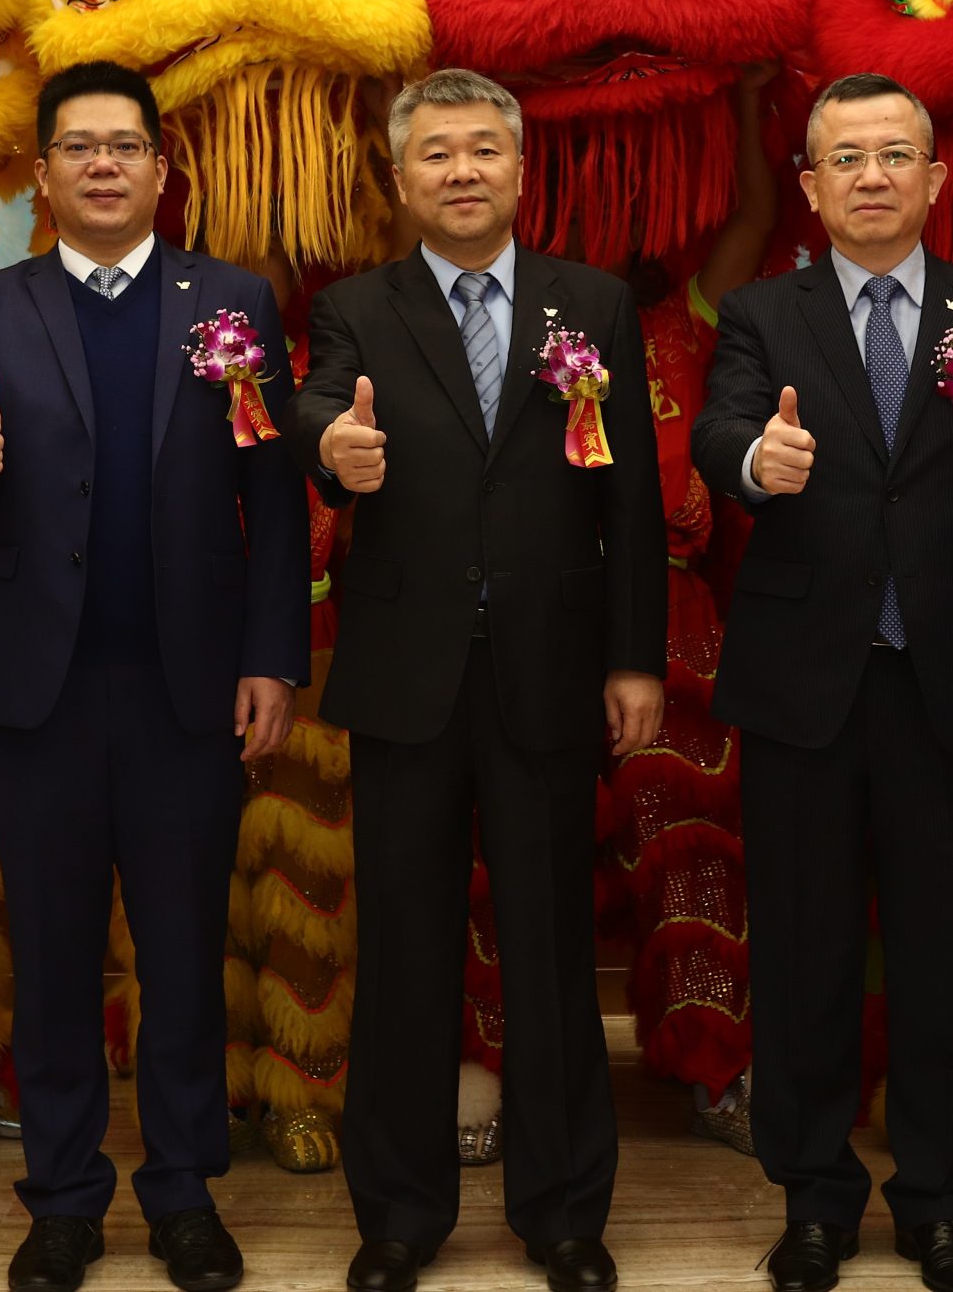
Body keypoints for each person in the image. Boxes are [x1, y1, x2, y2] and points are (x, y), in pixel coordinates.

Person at [0, 60, 308, 1292]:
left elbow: (272, 497)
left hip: (190, 686)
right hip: (45, 688)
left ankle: (184, 1194)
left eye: (124, 146)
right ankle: (64, 1200)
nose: (101, 164)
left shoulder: (231, 300)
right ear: (40, 174)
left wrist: (272, 657)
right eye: (77, 147)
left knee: (185, 954)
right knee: (54, 954)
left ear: (158, 168)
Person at [692, 73, 953, 1292]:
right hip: (803, 684)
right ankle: (813, 1200)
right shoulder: (763, 313)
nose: (869, 176)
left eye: (893, 155)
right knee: (802, 955)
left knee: (941, 953)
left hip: (945, 681)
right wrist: (758, 459)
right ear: (808, 185)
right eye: (843, 158)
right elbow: (718, 431)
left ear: (934, 178)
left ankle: (936, 1201)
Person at [294, 68, 664, 1292]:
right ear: (400, 179)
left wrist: (633, 657)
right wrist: (331, 448)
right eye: (436, 152)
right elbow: (315, 412)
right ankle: (399, 1217)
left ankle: (563, 1215)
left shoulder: (591, 304)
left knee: (551, 949)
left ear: (518, 168)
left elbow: (631, 497)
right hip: (407, 677)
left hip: (551, 672)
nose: (462, 170)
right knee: (403, 950)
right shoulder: (356, 307)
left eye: (483, 149)